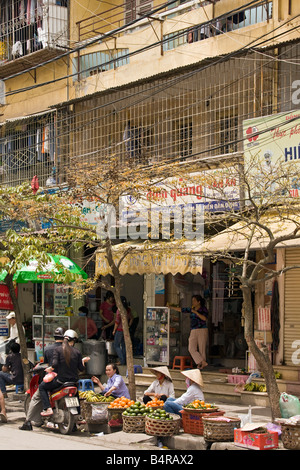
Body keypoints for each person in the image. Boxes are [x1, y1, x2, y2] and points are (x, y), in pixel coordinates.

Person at [19, 327, 65, 431]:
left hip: (54, 380)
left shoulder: (49, 349)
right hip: (69, 379)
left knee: (37, 395)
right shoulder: (68, 349)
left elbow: (46, 364)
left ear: (54, 337)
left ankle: (28, 422)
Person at [38, 329, 90, 417]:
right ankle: (79, 415)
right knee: (75, 394)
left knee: (42, 387)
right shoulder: (77, 352)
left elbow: (54, 364)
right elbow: (81, 369)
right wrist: (83, 362)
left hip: (60, 381)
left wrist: (51, 369)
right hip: (74, 381)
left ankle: (48, 408)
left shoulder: (58, 350)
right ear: (73, 340)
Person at [170, 295, 209, 370]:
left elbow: (204, 318)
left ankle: (201, 364)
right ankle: (201, 361)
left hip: (202, 329)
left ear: (199, 302)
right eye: (192, 301)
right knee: (191, 348)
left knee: (202, 348)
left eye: (194, 301)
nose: (193, 302)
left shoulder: (203, 309)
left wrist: (196, 312)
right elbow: (182, 309)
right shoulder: (191, 309)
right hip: (193, 329)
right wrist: (171, 307)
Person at [113, 296, 133, 365]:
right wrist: (128, 326)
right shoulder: (128, 310)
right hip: (125, 330)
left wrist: (114, 330)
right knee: (124, 345)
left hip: (119, 330)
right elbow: (131, 318)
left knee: (116, 345)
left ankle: (121, 360)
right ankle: (124, 360)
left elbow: (117, 322)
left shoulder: (119, 310)